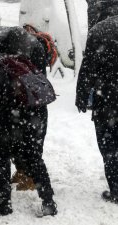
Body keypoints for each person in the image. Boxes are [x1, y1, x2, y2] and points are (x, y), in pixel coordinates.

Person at [0, 25, 58, 216]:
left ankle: (3, 202)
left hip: (4, 119)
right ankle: (48, 201)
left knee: (1, 157)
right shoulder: (23, 63)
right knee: (34, 157)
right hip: (31, 116)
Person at [76, 0, 118, 204]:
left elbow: (88, 68)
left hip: (107, 100)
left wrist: (82, 96)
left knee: (109, 145)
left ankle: (116, 188)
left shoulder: (99, 30)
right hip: (107, 97)